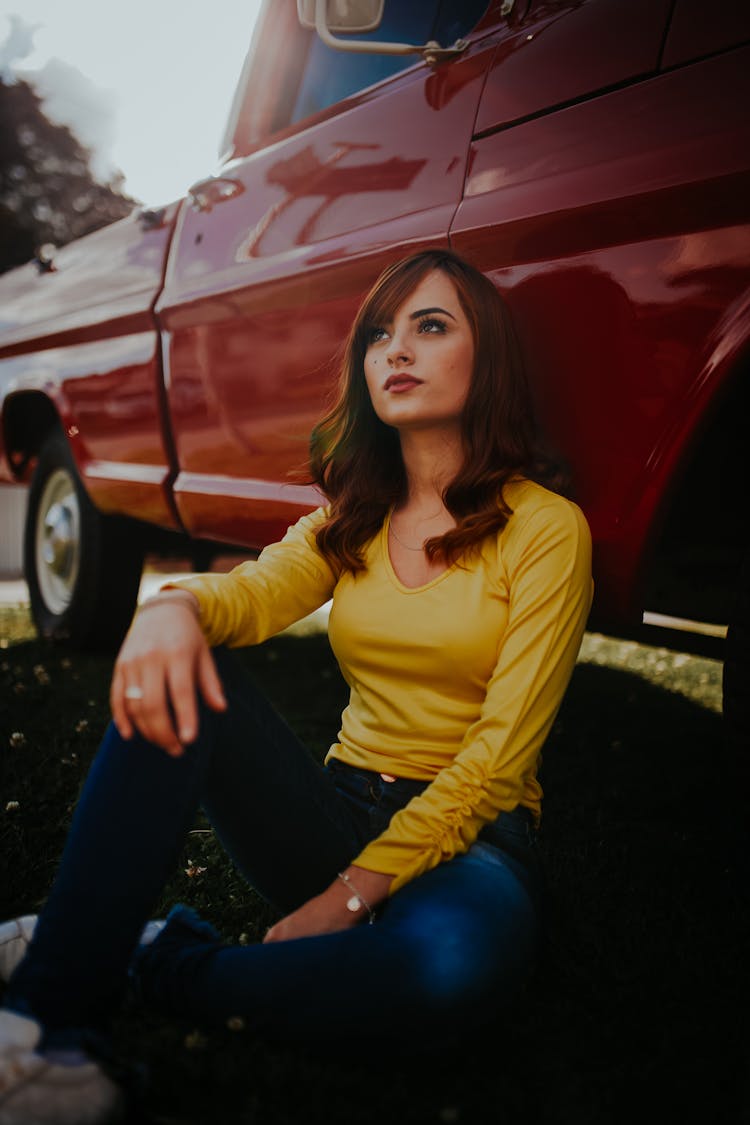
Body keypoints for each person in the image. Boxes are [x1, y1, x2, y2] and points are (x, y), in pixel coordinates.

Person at [0, 249, 593, 1123]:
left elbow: (498, 762)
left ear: (489, 359)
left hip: (477, 843)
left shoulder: (545, 529)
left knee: (447, 972)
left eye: (432, 327)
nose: (397, 350)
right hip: (335, 809)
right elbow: (248, 593)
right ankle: (46, 1019)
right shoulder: (352, 515)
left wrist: (343, 899)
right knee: (188, 655)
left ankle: (143, 954)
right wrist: (174, 606)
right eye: (381, 334)